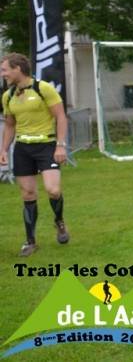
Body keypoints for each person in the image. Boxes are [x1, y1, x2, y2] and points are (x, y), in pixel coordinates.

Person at [0, 53, 69, 257]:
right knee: (28, 194)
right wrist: (3, 149)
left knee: (53, 190)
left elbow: (61, 117)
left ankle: (59, 222)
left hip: (46, 145)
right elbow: (10, 125)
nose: (3, 74)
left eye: (5, 69)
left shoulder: (43, 88)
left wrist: (60, 146)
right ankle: (30, 241)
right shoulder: (8, 95)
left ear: (17, 69)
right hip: (22, 149)